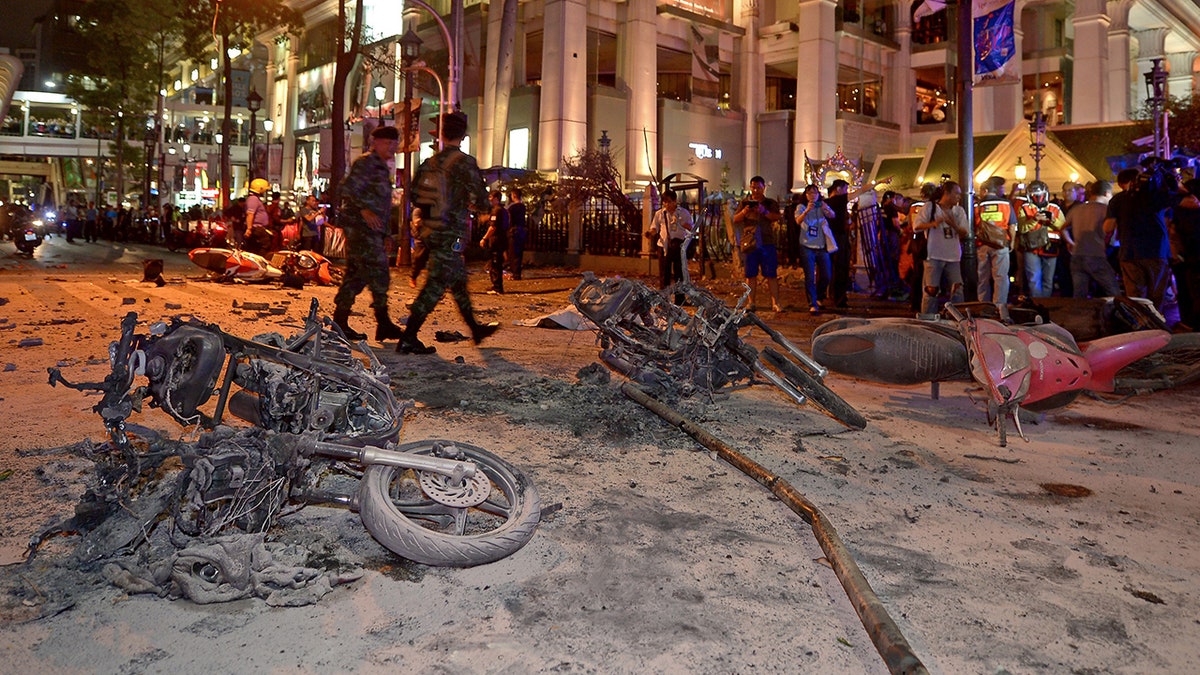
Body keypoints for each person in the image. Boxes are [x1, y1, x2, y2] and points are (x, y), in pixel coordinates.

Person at [398, 111, 499, 354]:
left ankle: (475, 329)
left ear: (441, 135)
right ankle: (409, 337)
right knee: (435, 286)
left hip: (431, 232)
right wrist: (482, 209)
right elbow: (481, 196)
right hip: (451, 233)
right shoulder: (464, 162)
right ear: (463, 136)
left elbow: (413, 197)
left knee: (457, 281)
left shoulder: (428, 163)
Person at [332, 125, 406, 343]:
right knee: (372, 273)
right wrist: (363, 209)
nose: (392, 147)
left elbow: (383, 206)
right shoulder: (365, 163)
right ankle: (374, 323)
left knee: (364, 275)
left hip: (374, 231)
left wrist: (387, 235)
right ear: (375, 143)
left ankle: (348, 323)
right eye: (387, 143)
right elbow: (345, 189)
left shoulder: (383, 168)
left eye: (394, 143)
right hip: (359, 229)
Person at [1103, 167, 1176, 311]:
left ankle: (1139, 326)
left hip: (1130, 253)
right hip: (1157, 252)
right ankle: (1156, 323)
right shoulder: (1156, 195)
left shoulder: (1118, 199)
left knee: (1135, 297)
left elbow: (1107, 228)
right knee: (1156, 295)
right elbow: (1186, 204)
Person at [913, 180, 968, 315]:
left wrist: (953, 224)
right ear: (947, 193)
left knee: (957, 289)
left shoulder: (958, 211)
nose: (958, 197)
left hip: (953, 256)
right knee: (931, 290)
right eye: (956, 194)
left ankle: (957, 318)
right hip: (933, 255)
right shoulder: (930, 208)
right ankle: (928, 319)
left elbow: (964, 232)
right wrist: (933, 223)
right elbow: (916, 227)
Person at [1062, 180, 1121, 298]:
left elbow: (1063, 229)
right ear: (1106, 193)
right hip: (1096, 255)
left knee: (1079, 295)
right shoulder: (1106, 210)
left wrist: (1071, 242)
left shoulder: (1077, 209)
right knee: (1114, 291)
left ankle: (1078, 316)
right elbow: (1111, 232)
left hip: (1077, 255)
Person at [733, 175, 782, 312]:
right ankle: (751, 302)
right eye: (753, 187)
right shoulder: (744, 203)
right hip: (750, 243)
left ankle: (775, 302)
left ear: (763, 188)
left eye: (758, 188)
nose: (755, 190)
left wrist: (764, 211)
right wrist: (744, 211)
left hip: (767, 242)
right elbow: (735, 219)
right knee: (750, 275)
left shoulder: (770, 203)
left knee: (771, 274)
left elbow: (776, 217)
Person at [1016, 180, 1065, 297]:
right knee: (1034, 280)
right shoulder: (1024, 208)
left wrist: (1052, 220)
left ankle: (1045, 304)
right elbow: (1022, 228)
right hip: (1031, 248)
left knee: (1048, 280)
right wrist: (1034, 219)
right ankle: (1037, 305)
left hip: (1050, 248)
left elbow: (1063, 227)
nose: (1039, 198)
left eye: (1041, 195)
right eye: (1035, 196)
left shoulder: (1054, 208)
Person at [973, 176, 1017, 307]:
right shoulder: (1005, 204)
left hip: (982, 245)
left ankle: (983, 304)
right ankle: (999, 305)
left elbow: (973, 225)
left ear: (984, 191)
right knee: (1001, 277)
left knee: (982, 277)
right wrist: (1012, 242)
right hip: (1000, 244)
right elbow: (1012, 225)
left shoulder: (977, 205)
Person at [646, 188, 695, 303]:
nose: (666, 204)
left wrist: (680, 223)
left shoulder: (683, 213)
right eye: (664, 201)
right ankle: (664, 299)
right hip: (664, 246)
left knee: (679, 273)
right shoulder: (660, 213)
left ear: (674, 201)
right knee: (664, 274)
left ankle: (680, 299)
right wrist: (650, 233)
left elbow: (691, 227)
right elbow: (654, 228)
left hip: (678, 246)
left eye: (668, 201)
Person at [795, 184, 836, 313]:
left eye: (815, 193)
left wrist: (826, 208)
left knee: (826, 275)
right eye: (810, 193)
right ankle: (812, 303)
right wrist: (807, 210)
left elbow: (832, 215)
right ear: (806, 195)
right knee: (810, 276)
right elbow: (798, 221)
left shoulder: (821, 206)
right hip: (807, 245)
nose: (813, 195)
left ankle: (819, 296)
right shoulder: (801, 207)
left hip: (821, 246)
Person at [481, 190, 509, 294]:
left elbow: (493, 227)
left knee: (495, 263)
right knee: (496, 263)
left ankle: (497, 287)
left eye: (491, 197)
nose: (490, 199)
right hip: (501, 239)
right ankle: (496, 285)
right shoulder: (503, 210)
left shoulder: (496, 210)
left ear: (496, 198)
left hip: (496, 240)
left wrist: (484, 238)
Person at [243, 179, 272, 254]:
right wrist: (249, 229)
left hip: (258, 228)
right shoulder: (253, 199)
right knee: (265, 245)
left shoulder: (255, 199)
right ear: (260, 189)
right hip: (256, 229)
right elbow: (250, 214)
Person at [507, 187, 527, 280]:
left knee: (513, 253)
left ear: (514, 195)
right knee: (519, 253)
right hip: (521, 231)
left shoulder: (512, 207)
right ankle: (517, 272)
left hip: (514, 231)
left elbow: (509, 220)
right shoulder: (523, 207)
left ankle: (515, 273)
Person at [408, 207, 428, 288]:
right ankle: (413, 277)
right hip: (421, 238)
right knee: (418, 259)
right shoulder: (418, 210)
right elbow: (416, 222)